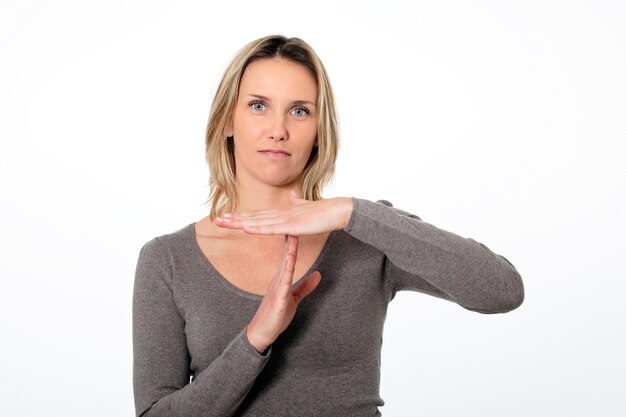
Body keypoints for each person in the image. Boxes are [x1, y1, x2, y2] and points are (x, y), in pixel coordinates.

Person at [132, 35, 524, 417]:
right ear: (227, 121)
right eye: (258, 105)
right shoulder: (168, 259)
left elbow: (502, 290)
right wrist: (254, 340)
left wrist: (352, 213)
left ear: (320, 131)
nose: (278, 129)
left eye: (299, 110)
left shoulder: (365, 233)